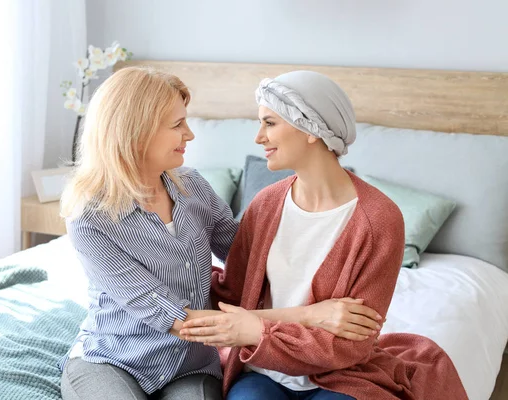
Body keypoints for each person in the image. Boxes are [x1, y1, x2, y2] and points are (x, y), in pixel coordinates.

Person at [58, 66, 383, 400]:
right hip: (114, 359)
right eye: (177, 124)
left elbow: (249, 259)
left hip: (190, 365)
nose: (190, 134)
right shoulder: (89, 218)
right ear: (135, 131)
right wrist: (312, 315)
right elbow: (177, 319)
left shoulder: (193, 188)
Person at [180, 71, 468, 400]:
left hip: (342, 375)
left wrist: (256, 330)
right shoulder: (265, 205)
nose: (259, 137)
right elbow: (234, 294)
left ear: (310, 129)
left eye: (270, 123)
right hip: (261, 369)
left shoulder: (379, 220)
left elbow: (352, 344)